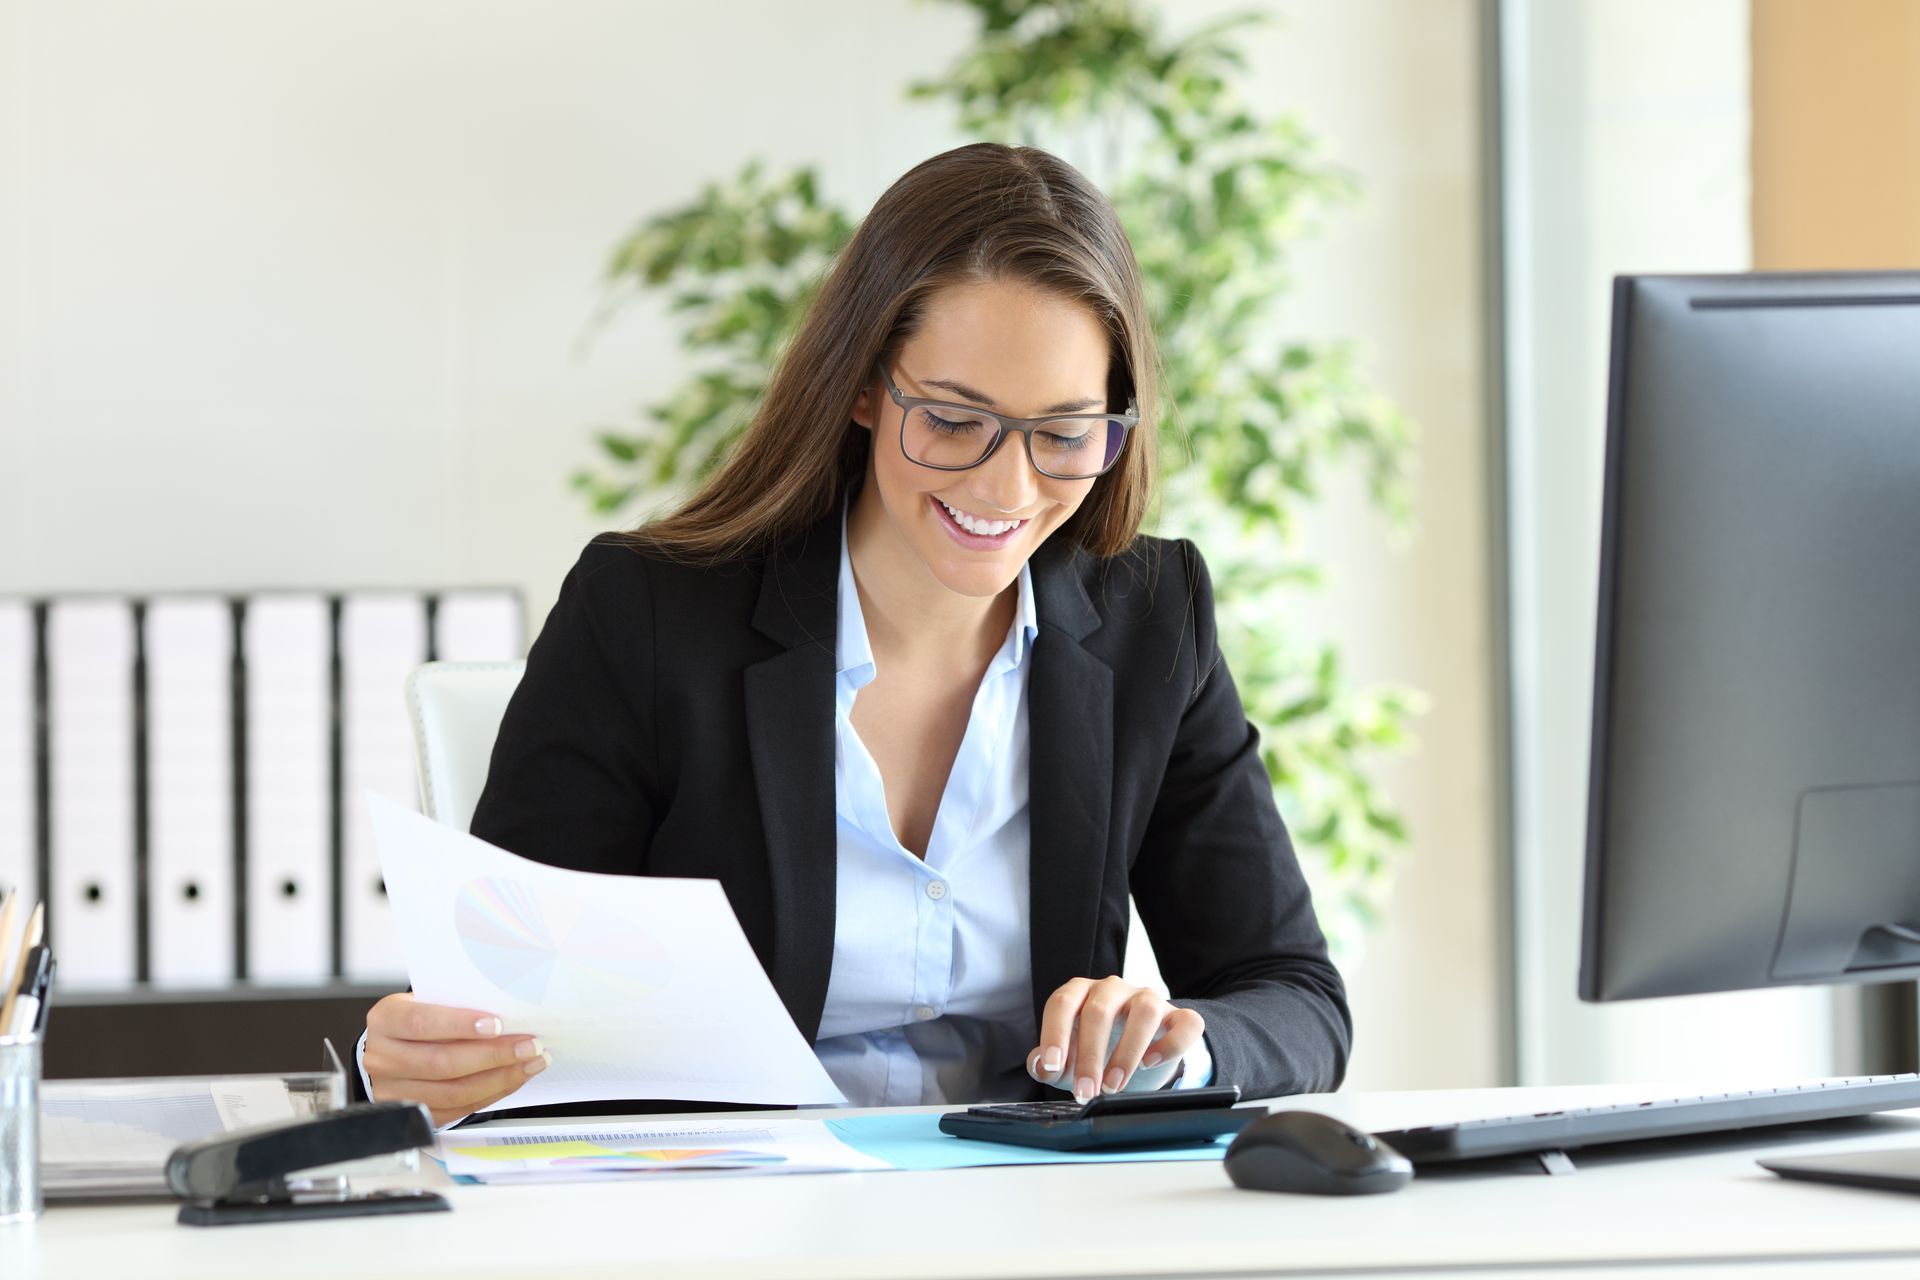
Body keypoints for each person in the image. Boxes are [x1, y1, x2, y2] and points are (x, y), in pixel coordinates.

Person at [360, 142, 1351, 1128]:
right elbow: (502, 1003)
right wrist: (424, 1059)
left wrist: (1176, 1044)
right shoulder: (649, 615)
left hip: (1028, 1217)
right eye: (957, 421)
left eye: (1063, 432)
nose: (1007, 490)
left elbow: (1294, 994)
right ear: (867, 388)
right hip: (727, 1221)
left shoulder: (1151, 618)